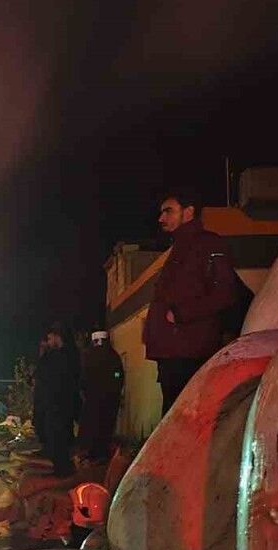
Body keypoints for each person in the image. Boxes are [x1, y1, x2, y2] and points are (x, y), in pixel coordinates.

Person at [143, 189, 239, 413]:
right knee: (174, 416)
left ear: (188, 212)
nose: (161, 218)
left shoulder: (208, 244)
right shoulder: (179, 248)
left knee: (185, 417)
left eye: (168, 211)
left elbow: (225, 293)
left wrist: (181, 314)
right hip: (171, 352)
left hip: (189, 351)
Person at [32, 324, 80, 477]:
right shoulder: (69, 355)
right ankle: (61, 470)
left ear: (57, 337)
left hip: (56, 406)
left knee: (58, 441)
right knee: (58, 440)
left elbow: (48, 380)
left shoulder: (59, 357)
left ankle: (62, 473)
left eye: (50, 338)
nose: (48, 341)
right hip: (61, 405)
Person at [78, 331, 124, 462]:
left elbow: (83, 378)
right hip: (109, 399)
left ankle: (93, 455)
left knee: (94, 427)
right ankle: (101, 455)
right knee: (105, 427)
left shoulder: (89, 356)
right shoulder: (113, 356)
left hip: (93, 399)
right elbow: (118, 376)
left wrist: (85, 392)